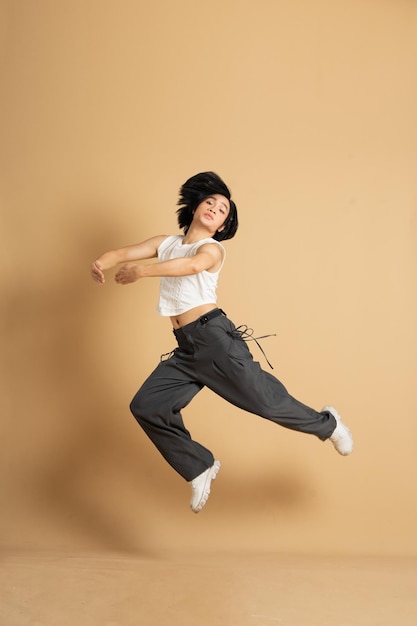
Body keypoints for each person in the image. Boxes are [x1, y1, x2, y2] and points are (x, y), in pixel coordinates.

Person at [90, 172, 353, 513]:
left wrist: (142, 272)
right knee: (147, 405)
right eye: (210, 201)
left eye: (223, 209)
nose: (215, 208)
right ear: (196, 205)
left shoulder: (211, 249)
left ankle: (328, 424)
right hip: (187, 349)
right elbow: (124, 252)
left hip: (215, 341)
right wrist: (100, 263)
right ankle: (199, 467)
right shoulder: (166, 242)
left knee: (266, 402)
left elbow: (191, 265)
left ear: (223, 225)